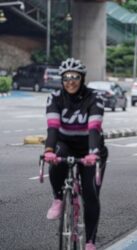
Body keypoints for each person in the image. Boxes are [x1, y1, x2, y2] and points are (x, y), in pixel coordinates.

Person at [43, 58, 108, 250]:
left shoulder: (95, 98)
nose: (70, 81)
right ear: (62, 80)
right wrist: (48, 151)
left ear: (82, 78)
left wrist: (93, 153)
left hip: (92, 147)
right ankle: (58, 199)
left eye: (75, 77)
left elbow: (94, 129)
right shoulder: (54, 98)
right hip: (66, 143)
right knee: (57, 156)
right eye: (66, 77)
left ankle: (89, 242)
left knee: (90, 194)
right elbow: (52, 128)